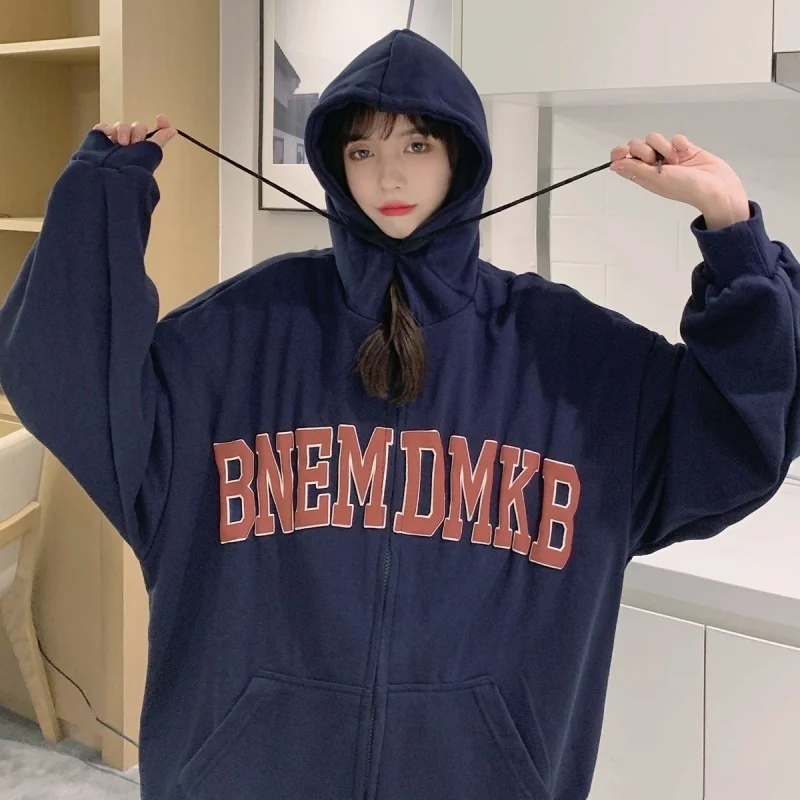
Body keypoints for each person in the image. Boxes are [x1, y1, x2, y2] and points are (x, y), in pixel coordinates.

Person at [0, 27, 798, 800]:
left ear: (461, 157)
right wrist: (99, 202)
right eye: (362, 150)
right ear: (333, 162)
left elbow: (740, 430)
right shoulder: (241, 336)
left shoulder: (567, 358)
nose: (389, 174)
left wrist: (731, 230)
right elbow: (70, 383)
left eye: (417, 144)